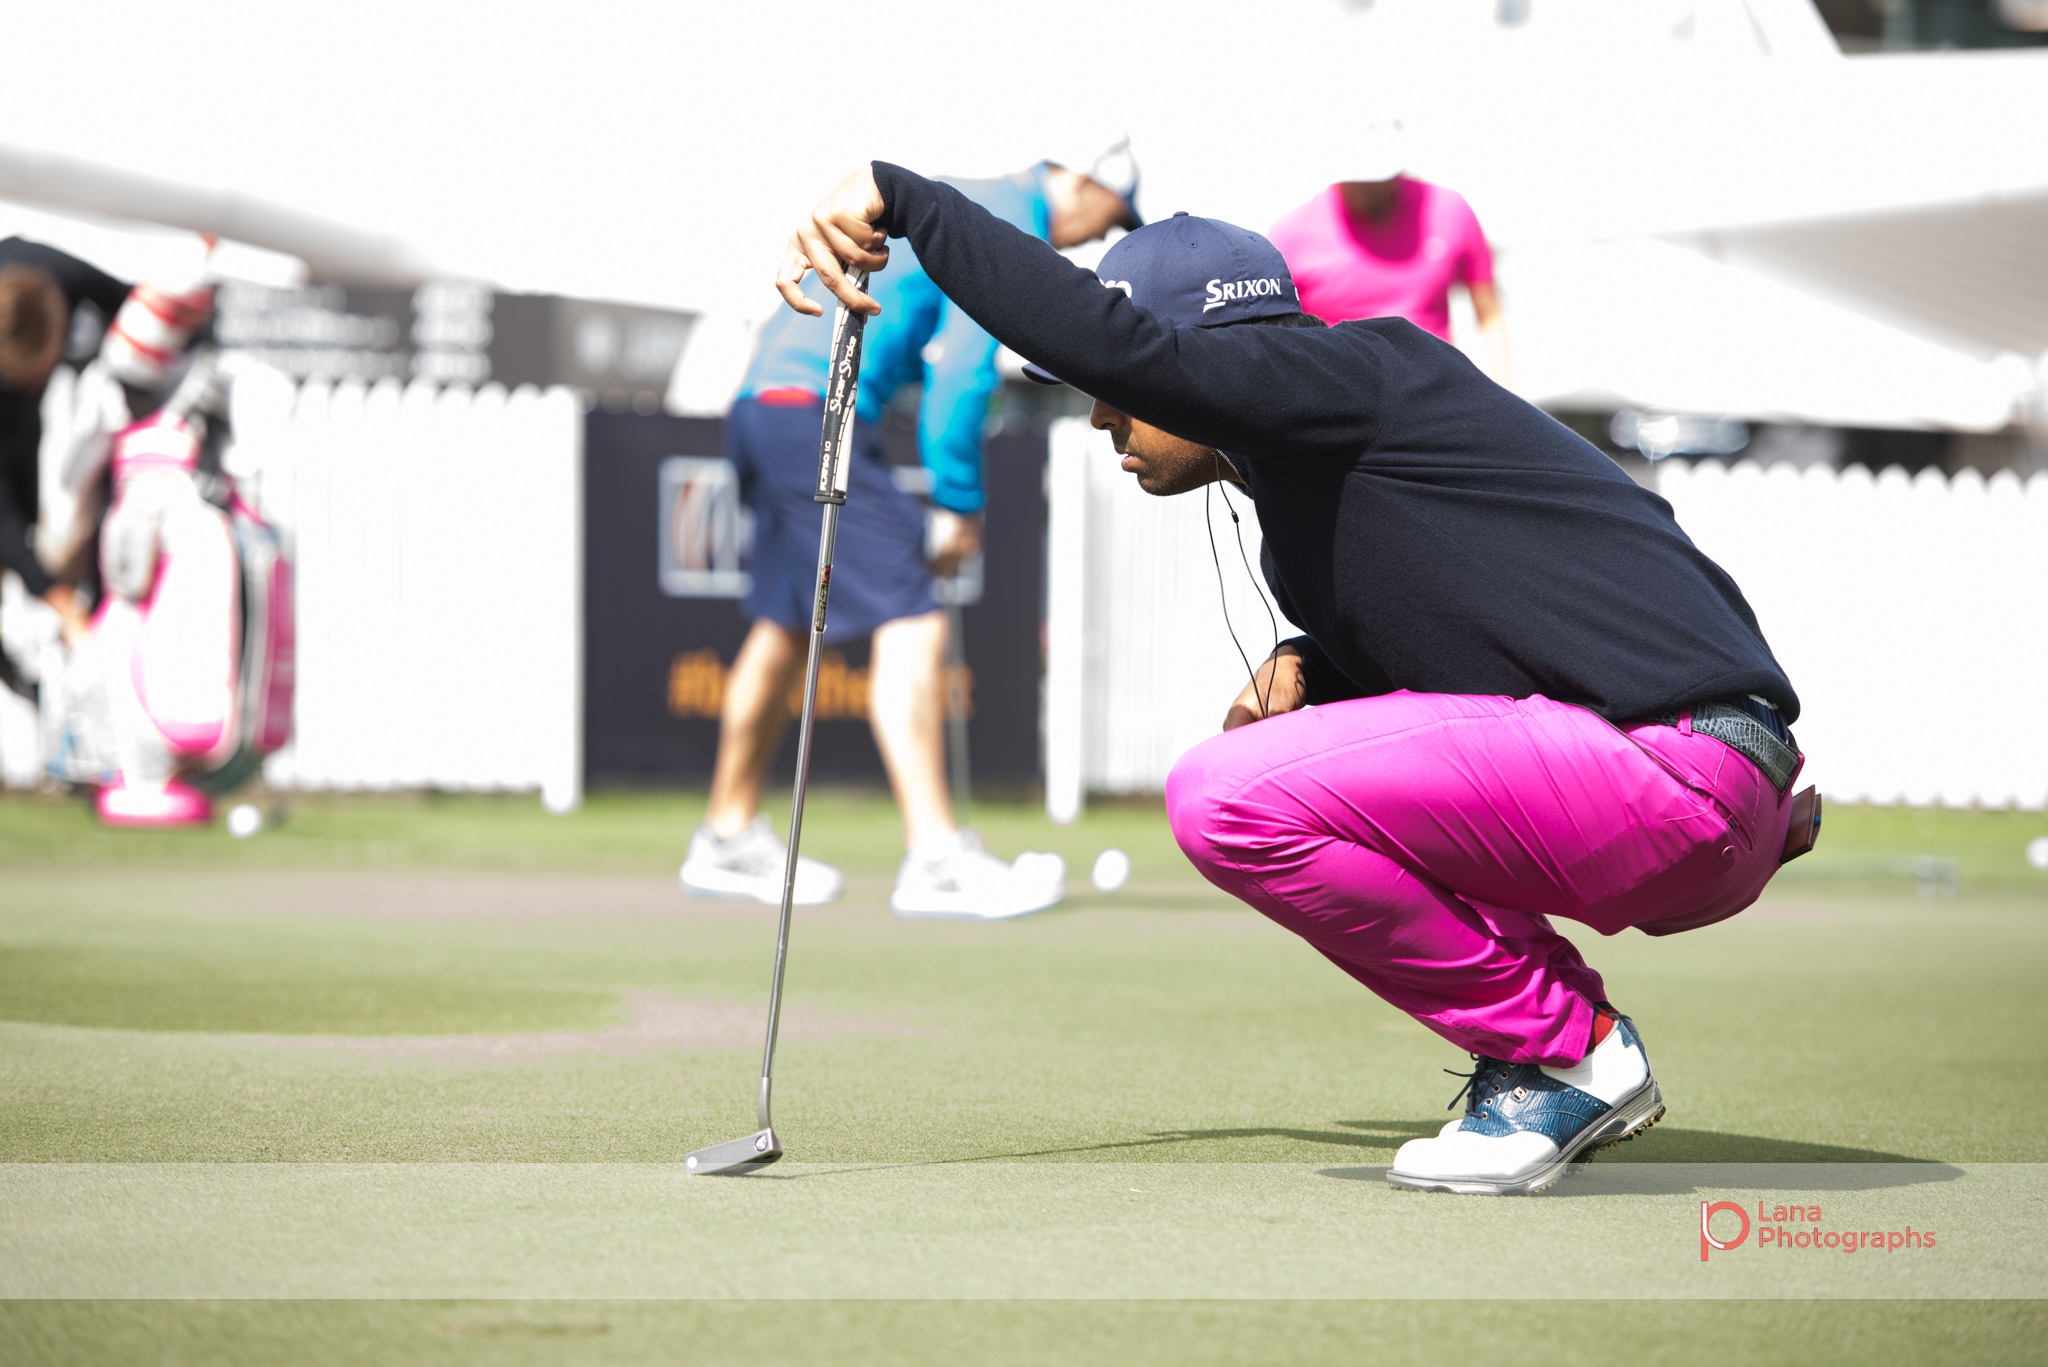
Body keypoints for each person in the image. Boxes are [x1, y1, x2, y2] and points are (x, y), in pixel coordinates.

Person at [775, 162, 1811, 1194]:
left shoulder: (1358, 366)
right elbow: (1501, 648)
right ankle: (1548, 1051)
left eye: (1115, 392)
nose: (1100, 419)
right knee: (1272, 767)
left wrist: (903, 200)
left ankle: (1563, 1052)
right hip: (1704, 787)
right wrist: (1314, 665)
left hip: (1673, 771)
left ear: (1203, 357)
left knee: (1221, 795)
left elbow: (1106, 337)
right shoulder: (1339, 460)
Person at [681, 140, 1142, 920]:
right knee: (913, 621)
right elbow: (961, 371)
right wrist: (960, 499)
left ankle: (724, 834)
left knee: (785, 623)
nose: (1101, 235)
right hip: (818, 411)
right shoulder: (1007, 220)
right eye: (1111, 214)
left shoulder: (973, 194)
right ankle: (935, 857)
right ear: (1081, 178)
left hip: (763, 404)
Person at [1267, 118, 1511, 386]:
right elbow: (1274, 343)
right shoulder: (1290, 236)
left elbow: (1490, 315)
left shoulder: (1450, 210)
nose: (1364, 187)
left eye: (1374, 175)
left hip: (1439, 392)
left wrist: (1508, 396)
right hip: (1342, 397)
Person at [0, 237, 130, 691]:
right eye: (30, 376)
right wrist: (61, 601)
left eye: (41, 368)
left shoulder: (57, 274)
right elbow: (4, 519)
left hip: (27, 415)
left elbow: (134, 304)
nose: (40, 379)